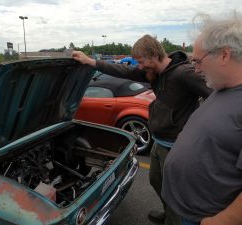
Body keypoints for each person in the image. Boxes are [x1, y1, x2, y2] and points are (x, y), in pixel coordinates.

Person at [72, 35, 212, 225]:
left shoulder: (183, 73)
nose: (139, 66)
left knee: (175, 192)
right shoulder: (151, 72)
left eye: (140, 61)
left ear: (153, 55)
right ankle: (168, 212)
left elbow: (216, 94)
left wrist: (196, 125)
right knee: (156, 180)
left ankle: (174, 220)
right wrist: (90, 61)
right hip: (159, 139)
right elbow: (122, 70)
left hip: (175, 145)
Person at [162, 12, 242, 225]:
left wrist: (220, 221)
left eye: (197, 61)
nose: (195, 68)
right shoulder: (222, 88)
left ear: (225, 55)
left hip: (209, 218)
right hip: (191, 210)